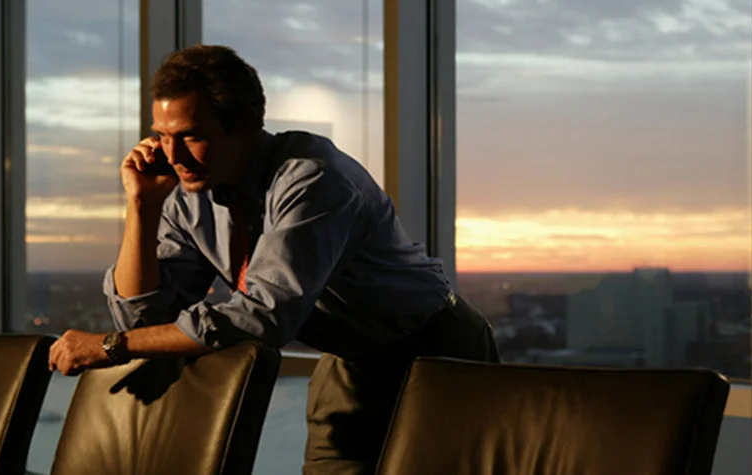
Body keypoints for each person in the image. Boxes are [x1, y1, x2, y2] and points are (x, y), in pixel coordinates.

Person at [47, 44, 499, 475]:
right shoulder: (190, 196)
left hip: (436, 352)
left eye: (191, 136)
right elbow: (141, 317)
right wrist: (142, 209)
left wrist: (109, 347)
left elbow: (263, 318)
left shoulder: (313, 178)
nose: (172, 156)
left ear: (244, 125)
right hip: (349, 360)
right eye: (162, 137)